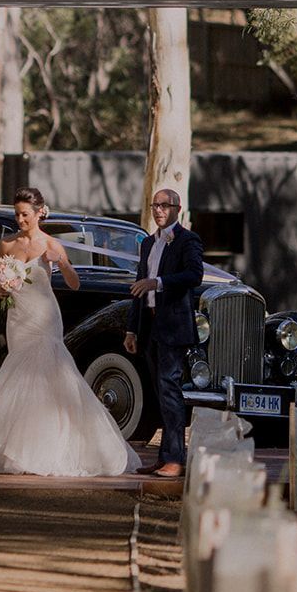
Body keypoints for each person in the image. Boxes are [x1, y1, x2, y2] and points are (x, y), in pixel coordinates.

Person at [0, 188, 139, 477]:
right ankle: (15, 441)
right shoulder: (6, 244)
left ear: (40, 213)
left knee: (50, 373)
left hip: (44, 317)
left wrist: (60, 261)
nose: (20, 219)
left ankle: (44, 447)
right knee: (19, 374)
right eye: (17, 214)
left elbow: (74, 283)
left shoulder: (51, 243)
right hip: (18, 318)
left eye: (25, 214)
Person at [124, 187, 204, 478]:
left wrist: (157, 282)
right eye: (154, 205)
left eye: (164, 205)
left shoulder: (187, 240)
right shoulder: (147, 243)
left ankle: (175, 459)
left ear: (177, 209)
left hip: (173, 326)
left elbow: (194, 275)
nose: (158, 210)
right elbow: (137, 286)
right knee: (159, 392)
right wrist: (132, 328)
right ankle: (163, 457)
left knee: (170, 389)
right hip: (149, 326)